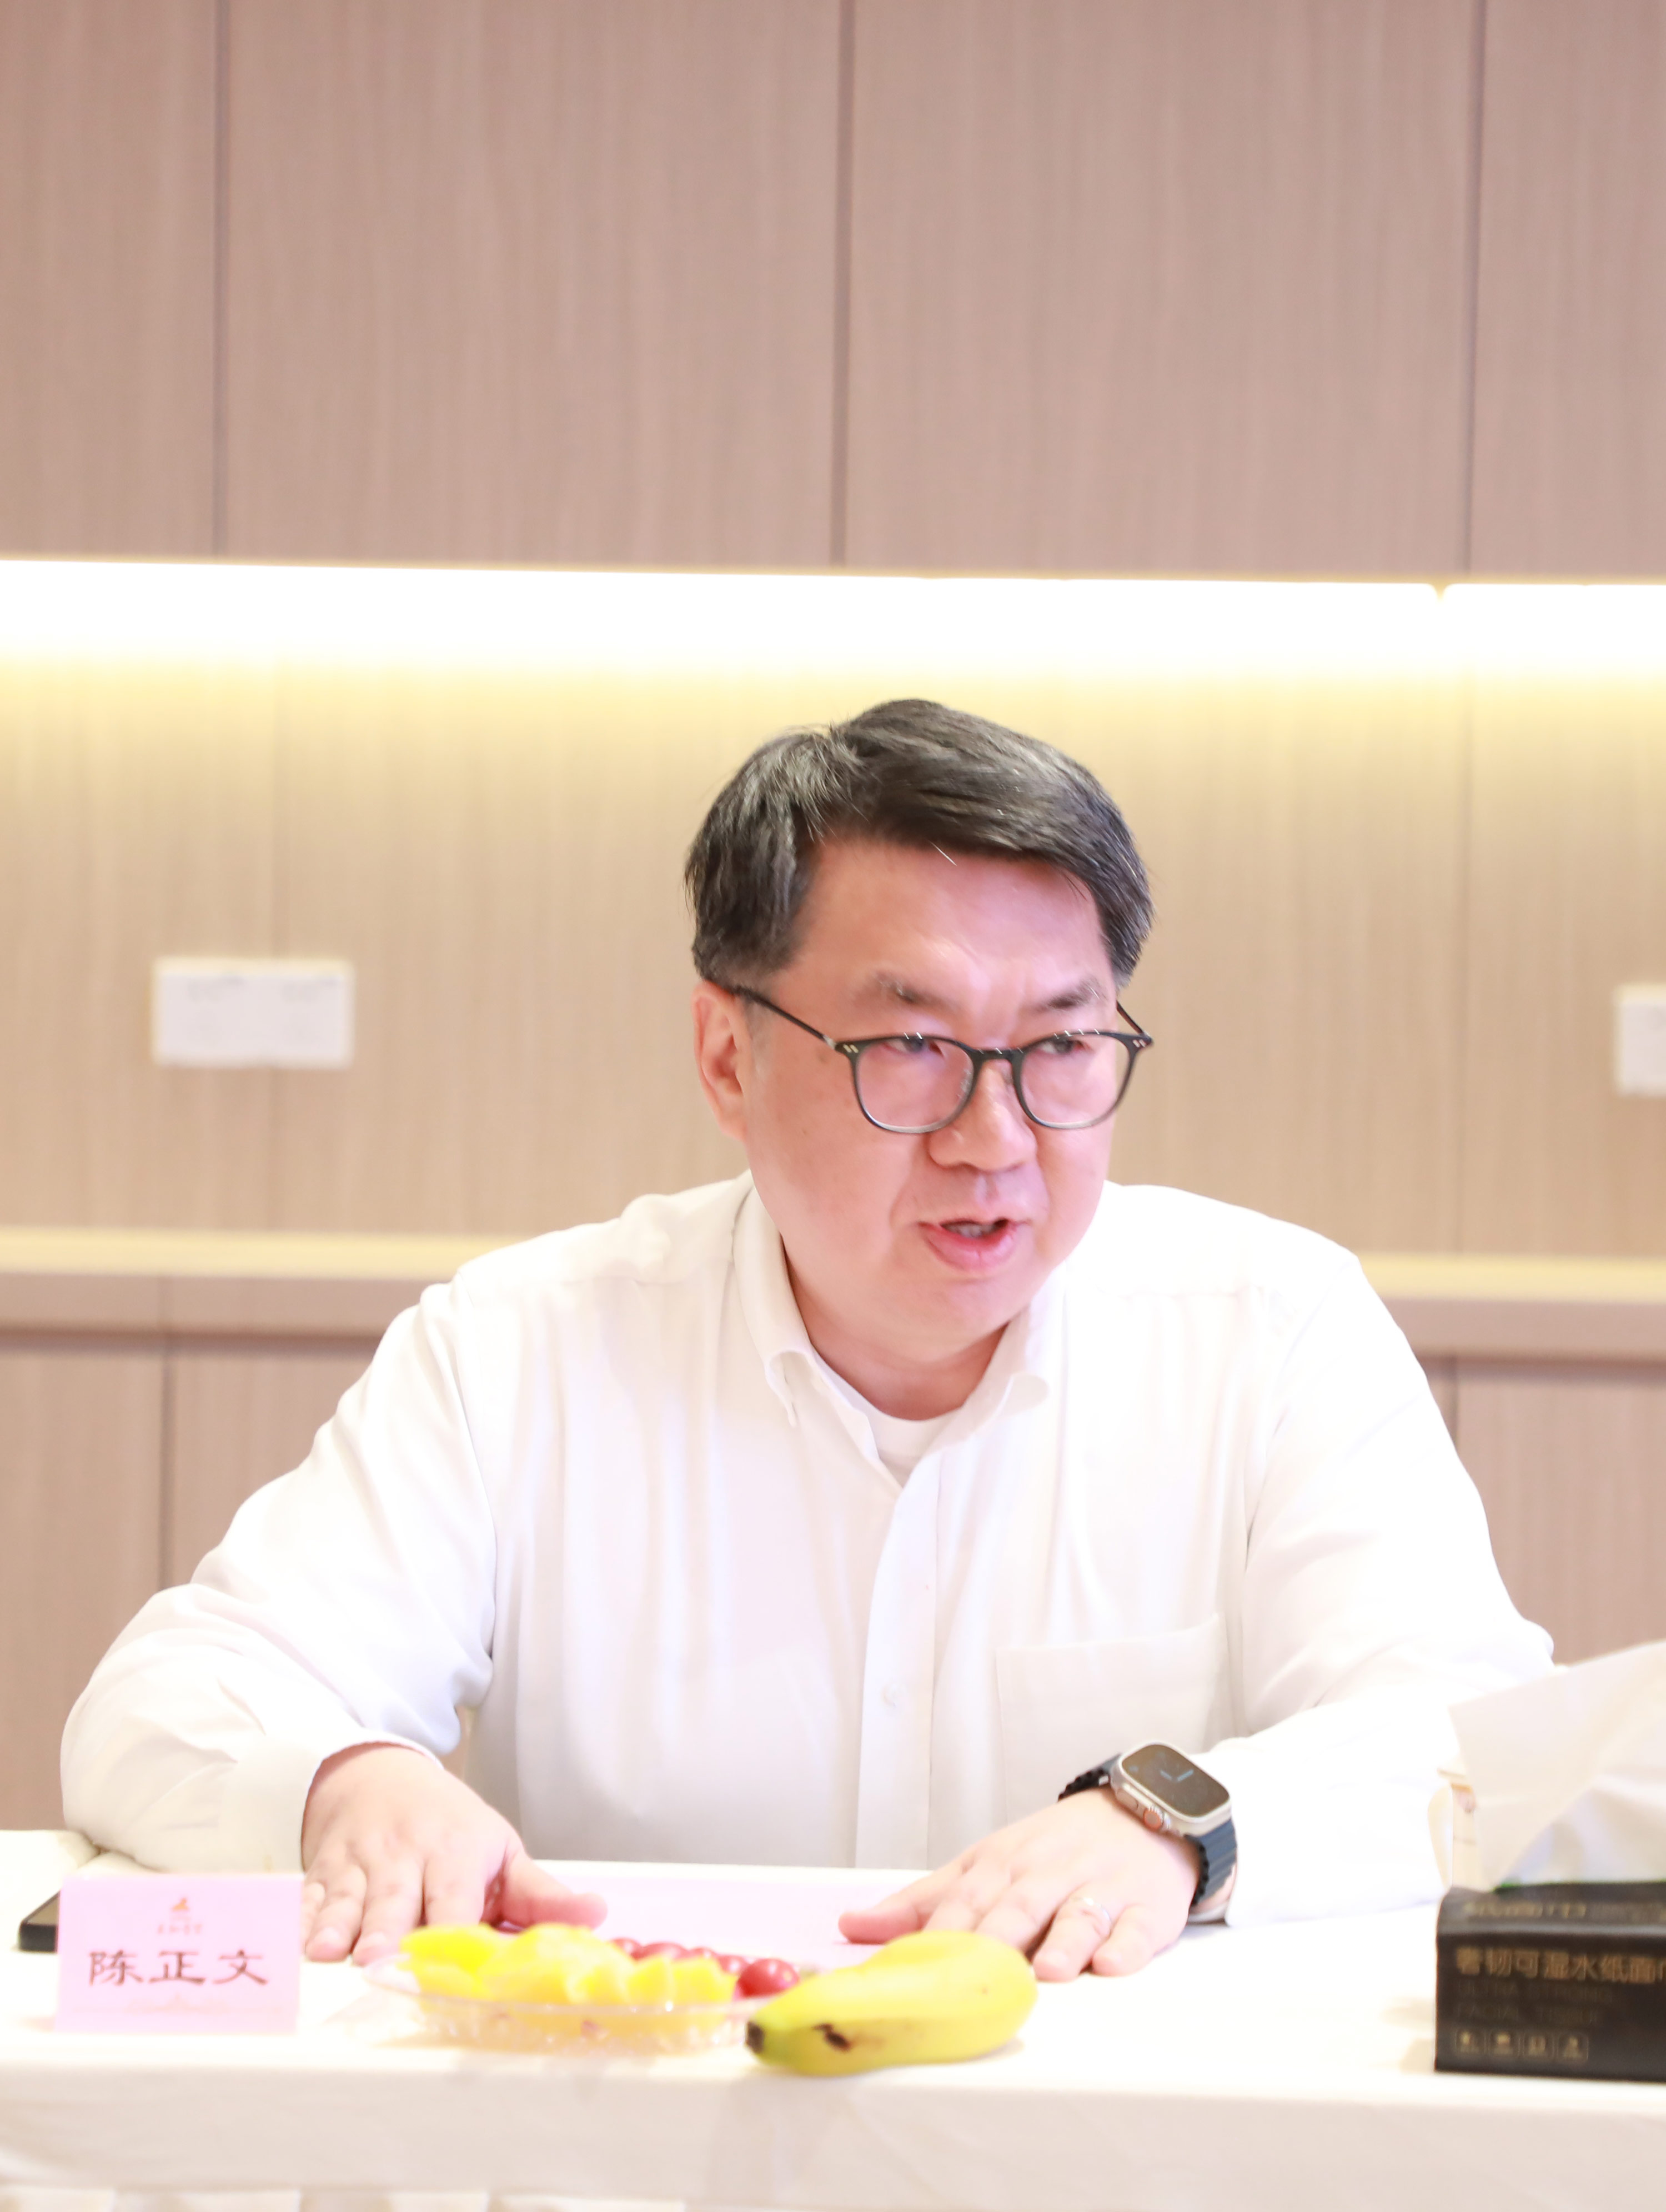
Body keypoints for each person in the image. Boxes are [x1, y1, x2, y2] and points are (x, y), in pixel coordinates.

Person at [63, 699, 1549, 1980]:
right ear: (729, 1055)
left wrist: (1177, 1825)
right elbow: (167, 1701)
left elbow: (1474, 1746)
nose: (995, 1138)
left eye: (1060, 1046)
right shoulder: (522, 1354)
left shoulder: (1271, 1332)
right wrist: (347, 1783)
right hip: (640, 2142)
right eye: (911, 1046)